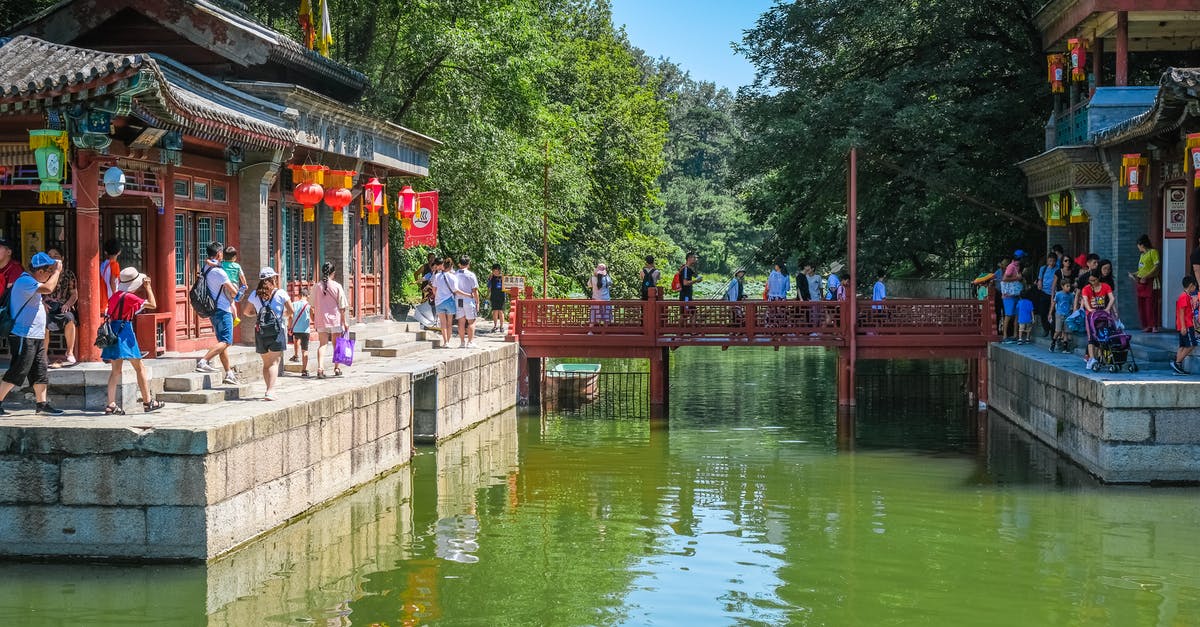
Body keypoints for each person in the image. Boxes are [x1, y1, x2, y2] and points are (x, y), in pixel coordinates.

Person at [0, 253, 64, 415]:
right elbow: (49, 288)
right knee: (18, 370)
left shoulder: (32, 282)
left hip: (35, 335)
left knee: (40, 371)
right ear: (40, 271)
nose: (50, 273)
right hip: (23, 335)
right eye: (48, 271)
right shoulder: (25, 281)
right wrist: (57, 272)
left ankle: (41, 405)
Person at [102, 267, 164, 414]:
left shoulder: (115, 296)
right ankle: (148, 402)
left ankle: (111, 404)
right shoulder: (130, 297)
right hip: (125, 332)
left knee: (115, 371)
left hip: (113, 330)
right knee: (139, 366)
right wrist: (148, 288)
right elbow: (153, 304)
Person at [242, 267, 292, 400]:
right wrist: (281, 315)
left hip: (261, 330)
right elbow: (291, 310)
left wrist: (259, 314)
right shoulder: (281, 293)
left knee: (266, 363)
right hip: (276, 330)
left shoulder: (254, 294)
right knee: (274, 362)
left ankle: (268, 389)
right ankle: (270, 390)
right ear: (273, 279)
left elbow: (246, 312)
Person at [195, 242, 239, 382]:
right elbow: (233, 291)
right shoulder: (220, 272)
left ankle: (229, 373)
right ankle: (203, 361)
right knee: (226, 341)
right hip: (223, 309)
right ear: (219, 254)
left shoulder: (207, 268)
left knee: (222, 342)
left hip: (213, 309)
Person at [42, 247, 77, 366]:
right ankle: (44, 355)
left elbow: (74, 294)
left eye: (55, 256)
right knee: (43, 322)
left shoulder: (68, 274)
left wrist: (68, 304)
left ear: (62, 258)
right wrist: (42, 303)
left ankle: (70, 351)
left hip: (62, 305)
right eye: (49, 255)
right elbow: (36, 291)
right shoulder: (43, 272)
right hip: (47, 306)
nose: (52, 258)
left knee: (70, 319)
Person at [314, 261, 349, 377]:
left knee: (322, 344)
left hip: (321, 319)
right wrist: (344, 322)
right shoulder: (337, 286)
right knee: (337, 345)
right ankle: (337, 368)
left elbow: (312, 304)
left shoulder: (316, 286)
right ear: (333, 273)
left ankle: (320, 368)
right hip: (335, 319)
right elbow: (342, 306)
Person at [1128, 235, 1161, 334]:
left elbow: (1156, 266)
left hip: (1150, 281)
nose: (1138, 247)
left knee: (1151, 304)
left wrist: (1146, 276)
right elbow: (1141, 270)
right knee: (1142, 305)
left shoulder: (1153, 252)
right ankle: (1147, 325)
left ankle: (1154, 325)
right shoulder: (1142, 255)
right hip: (1141, 282)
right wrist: (1134, 274)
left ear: (1142, 244)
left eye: (1138, 245)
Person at [1081, 272, 1114, 369]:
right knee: (1091, 336)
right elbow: (1085, 300)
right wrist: (1090, 309)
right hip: (1091, 316)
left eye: (1094, 280)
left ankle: (1101, 357)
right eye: (1090, 281)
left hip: (1103, 315)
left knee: (1103, 335)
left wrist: (1108, 308)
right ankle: (1092, 358)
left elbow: (1112, 298)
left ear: (1098, 278)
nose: (1092, 282)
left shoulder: (1105, 286)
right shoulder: (1086, 288)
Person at [1172, 275, 1198, 375]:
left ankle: (1177, 367)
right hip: (1186, 326)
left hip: (1187, 325)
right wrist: (1183, 326)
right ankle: (1177, 363)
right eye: (1194, 286)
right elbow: (1181, 312)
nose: (1195, 288)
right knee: (1191, 345)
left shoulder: (1187, 296)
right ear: (1191, 285)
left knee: (1182, 346)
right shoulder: (1184, 296)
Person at [430, 258, 457, 348]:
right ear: (451, 266)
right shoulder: (453, 276)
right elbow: (455, 290)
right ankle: (448, 341)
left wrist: (438, 296)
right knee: (449, 323)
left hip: (439, 302)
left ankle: (445, 342)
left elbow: (434, 289)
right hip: (450, 301)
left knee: (443, 323)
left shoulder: (437, 276)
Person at [455, 255, 481, 348]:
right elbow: (475, 290)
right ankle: (470, 342)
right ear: (468, 264)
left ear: (459, 263)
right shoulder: (471, 275)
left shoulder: (455, 274)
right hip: (469, 299)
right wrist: (477, 302)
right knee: (471, 321)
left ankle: (462, 342)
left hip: (458, 300)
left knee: (461, 322)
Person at [288, 287, 312, 376]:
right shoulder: (309, 306)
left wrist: (290, 328)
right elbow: (312, 318)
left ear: (299, 295)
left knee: (296, 339)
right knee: (305, 350)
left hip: (296, 329)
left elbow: (290, 317)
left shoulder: (293, 304)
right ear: (307, 295)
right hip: (305, 330)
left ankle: (296, 355)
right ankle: (304, 370)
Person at [999, 253, 1023, 344]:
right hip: (1008, 296)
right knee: (1008, 315)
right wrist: (1017, 278)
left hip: (1015, 294)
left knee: (1017, 315)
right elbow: (1004, 278)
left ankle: (1015, 335)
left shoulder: (1017, 267)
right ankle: (1005, 335)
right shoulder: (1011, 267)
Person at [1036, 253, 1059, 336]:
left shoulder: (1058, 268)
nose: (1052, 263)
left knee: (1054, 312)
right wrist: (1039, 283)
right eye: (1050, 261)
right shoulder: (1043, 268)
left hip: (1055, 293)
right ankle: (1046, 328)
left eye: (1053, 261)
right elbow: (1040, 279)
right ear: (1047, 260)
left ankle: (1053, 330)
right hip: (1044, 292)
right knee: (1043, 312)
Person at [1050, 279, 1075, 353]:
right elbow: (1054, 303)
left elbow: (1073, 304)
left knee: (1066, 332)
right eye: (1067, 286)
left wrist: (1073, 313)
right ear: (1062, 286)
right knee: (1058, 330)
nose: (1069, 288)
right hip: (1059, 314)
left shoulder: (1071, 295)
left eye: (1069, 286)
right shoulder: (1058, 294)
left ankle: (1065, 347)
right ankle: (1053, 343)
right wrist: (1050, 313)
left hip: (1068, 314)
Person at [587, 262, 612, 330]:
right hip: (606, 301)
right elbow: (610, 284)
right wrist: (606, 274)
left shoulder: (592, 278)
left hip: (595, 300)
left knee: (593, 317)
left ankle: (590, 331)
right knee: (606, 318)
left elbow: (589, 285)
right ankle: (604, 332)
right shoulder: (607, 278)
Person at [487, 264, 506, 332]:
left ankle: (501, 326)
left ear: (499, 270)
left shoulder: (503, 277)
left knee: (501, 311)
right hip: (494, 296)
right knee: (494, 311)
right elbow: (489, 287)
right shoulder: (491, 277)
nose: (495, 272)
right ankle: (495, 326)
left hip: (501, 296)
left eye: (497, 271)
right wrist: (488, 295)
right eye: (494, 271)